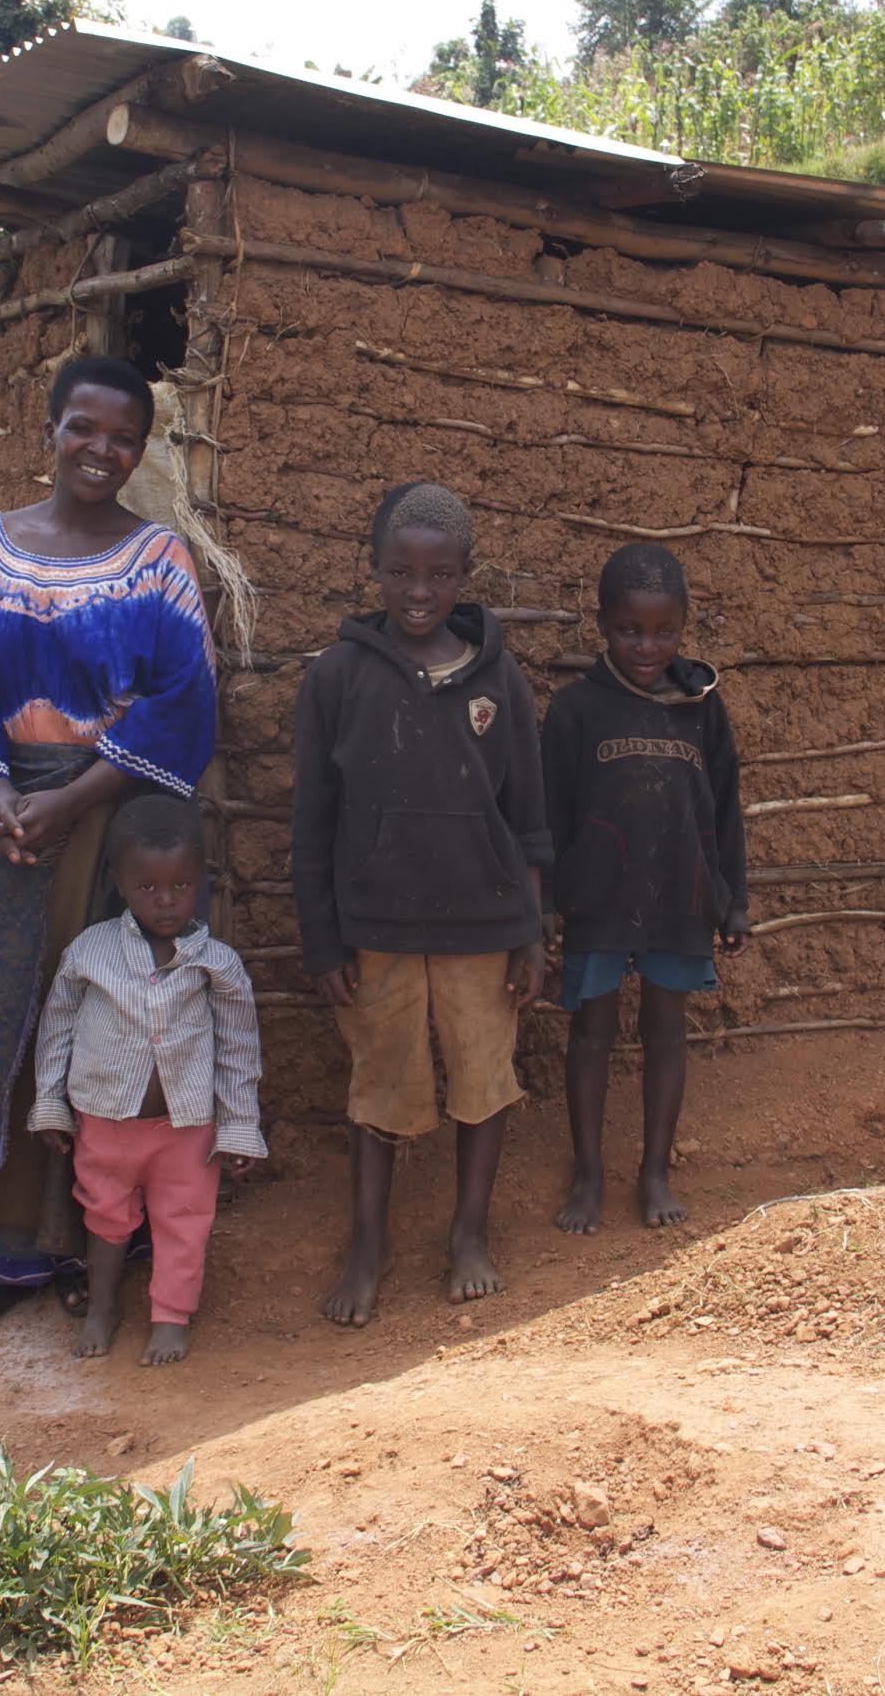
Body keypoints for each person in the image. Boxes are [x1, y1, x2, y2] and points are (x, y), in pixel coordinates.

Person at [0, 353, 217, 1346]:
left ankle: (95, 1245)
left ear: (141, 450)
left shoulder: (158, 563)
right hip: (5, 817)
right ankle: (4, 1248)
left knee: (107, 1029)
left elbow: (184, 703)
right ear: (49, 430)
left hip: (115, 816)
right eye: (82, 428)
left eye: (122, 437)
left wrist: (74, 799)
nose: (101, 450)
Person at [291, 481, 550, 1326]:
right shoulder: (337, 678)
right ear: (372, 572)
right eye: (399, 571)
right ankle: (369, 1244)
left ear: (465, 577)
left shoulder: (499, 679)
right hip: (378, 931)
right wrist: (324, 943)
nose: (417, 590)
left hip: (483, 928)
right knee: (381, 1092)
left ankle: (469, 1234)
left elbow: (527, 817)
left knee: (483, 1081)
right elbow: (312, 824)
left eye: (438, 575)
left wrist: (531, 932)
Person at [543, 543, 748, 1233]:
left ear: (683, 626)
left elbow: (724, 807)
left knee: (666, 1029)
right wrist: (551, 900)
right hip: (598, 897)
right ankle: (589, 1173)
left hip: (679, 893)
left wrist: (734, 899)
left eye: (663, 631)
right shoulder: (575, 711)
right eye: (631, 629)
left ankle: (655, 1170)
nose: (647, 645)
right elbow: (551, 811)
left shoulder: (700, 708)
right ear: (602, 623)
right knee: (592, 1030)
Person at [28, 794, 263, 1365]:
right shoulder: (90, 952)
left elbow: (238, 1049)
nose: (165, 902)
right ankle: (104, 1306)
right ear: (120, 884)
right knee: (105, 1216)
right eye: (149, 889)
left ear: (199, 881)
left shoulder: (217, 964)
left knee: (184, 1220)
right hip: (105, 1120)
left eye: (179, 887)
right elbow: (57, 1026)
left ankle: (171, 1315)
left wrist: (239, 1127)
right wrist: (50, 1103)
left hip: (186, 1128)